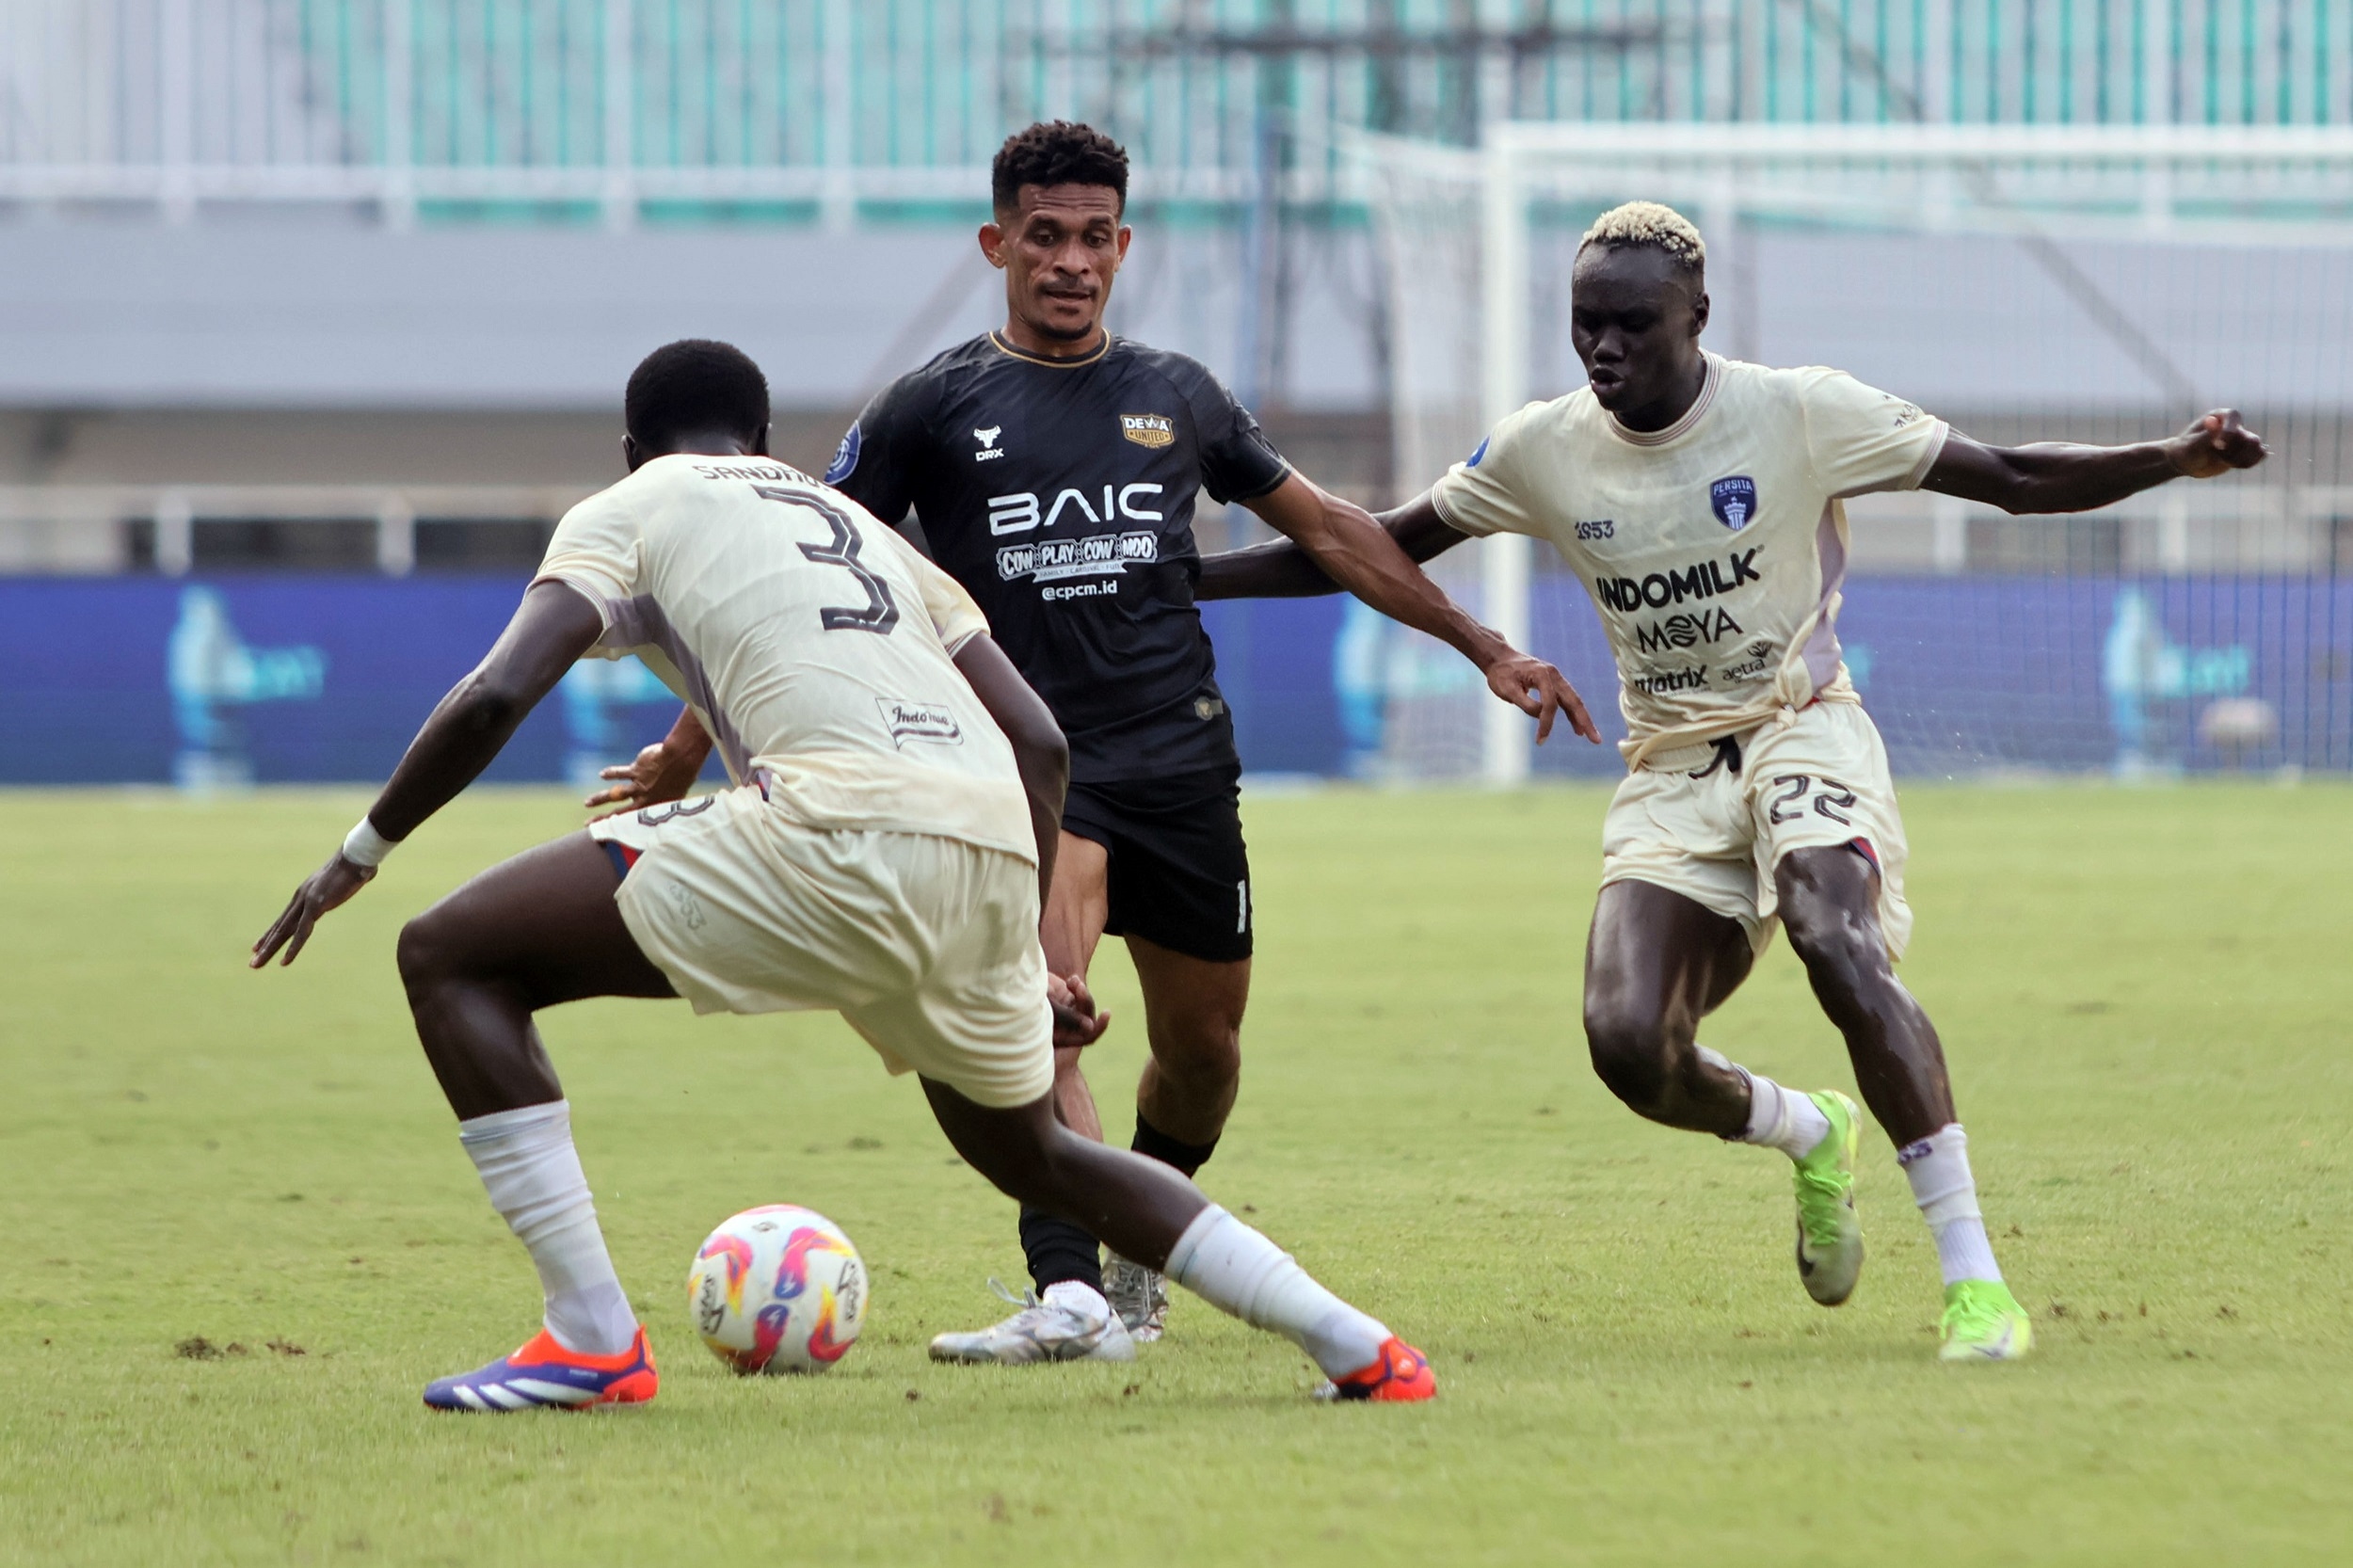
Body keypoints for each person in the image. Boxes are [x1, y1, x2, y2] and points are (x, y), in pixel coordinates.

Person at [249, 338, 1436, 1407]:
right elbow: (1040, 742)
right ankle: (1354, 1344)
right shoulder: (860, 525)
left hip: (833, 829)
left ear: (630, 448)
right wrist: (1017, 945)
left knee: (448, 954)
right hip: (981, 840)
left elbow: (501, 686)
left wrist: (361, 853)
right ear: (761, 445)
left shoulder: (635, 500)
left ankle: (591, 1339)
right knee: (1040, 1156)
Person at [593, 121, 1593, 1365]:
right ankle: (1065, 1291)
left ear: (1122, 245)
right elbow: (794, 574)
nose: (1070, 262)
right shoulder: (930, 408)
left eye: (1092, 239)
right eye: (1044, 237)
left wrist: (1484, 644)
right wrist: (692, 741)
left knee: (1204, 1057)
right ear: (997, 242)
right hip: (1027, 768)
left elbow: (1334, 531)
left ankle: (1135, 1247)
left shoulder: (1178, 395)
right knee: (1049, 1017)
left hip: (1181, 762)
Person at [1196, 201, 2267, 1362]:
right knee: (1628, 1046)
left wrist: (2171, 456)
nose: (1602, 350)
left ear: (1696, 317)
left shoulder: (1798, 411)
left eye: (1631, 326)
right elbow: (1367, 543)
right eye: (1583, 326)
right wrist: (1180, 579)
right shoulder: (1541, 446)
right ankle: (1807, 1132)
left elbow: (2008, 475)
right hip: (1668, 765)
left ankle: (1975, 1281)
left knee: (1833, 938)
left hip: (1800, 730)